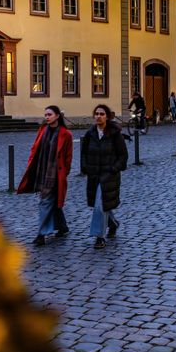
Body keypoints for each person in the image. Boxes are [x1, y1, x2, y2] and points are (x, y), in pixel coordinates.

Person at [17, 105, 73, 246]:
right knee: (52, 202)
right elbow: (35, 148)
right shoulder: (42, 130)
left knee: (45, 202)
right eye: (46, 114)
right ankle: (63, 226)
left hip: (55, 174)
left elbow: (68, 157)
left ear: (57, 116)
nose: (47, 117)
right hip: (42, 171)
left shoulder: (66, 134)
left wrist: (63, 173)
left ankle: (41, 234)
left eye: (50, 114)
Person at [81, 104, 128, 249]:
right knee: (102, 205)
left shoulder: (115, 134)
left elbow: (123, 156)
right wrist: (85, 168)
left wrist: (114, 168)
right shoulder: (90, 134)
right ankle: (113, 224)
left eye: (101, 114)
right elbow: (84, 153)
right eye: (96, 114)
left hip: (109, 176)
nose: (98, 116)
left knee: (100, 206)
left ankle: (99, 237)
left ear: (107, 116)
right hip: (94, 175)